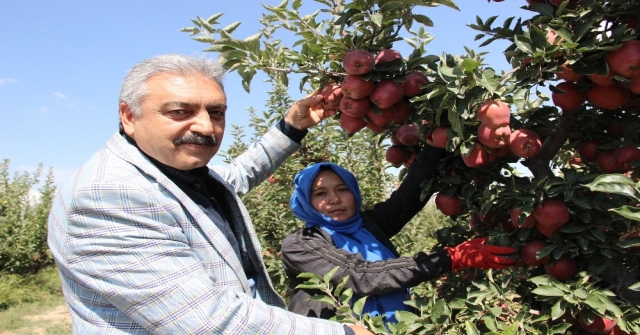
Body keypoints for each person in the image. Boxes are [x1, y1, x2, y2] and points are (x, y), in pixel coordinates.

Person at [47, 54, 373, 335]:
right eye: (179, 112)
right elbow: (209, 323)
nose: (206, 126)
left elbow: (237, 175)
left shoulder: (174, 173)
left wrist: (293, 125)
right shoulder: (109, 195)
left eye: (216, 112)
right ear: (129, 116)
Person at [282, 145, 517, 323]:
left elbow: (410, 195)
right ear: (306, 202)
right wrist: (450, 257)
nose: (334, 199)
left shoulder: (369, 225)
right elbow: (360, 276)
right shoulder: (300, 245)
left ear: (354, 193)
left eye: (342, 189)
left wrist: (437, 141)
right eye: (320, 193)